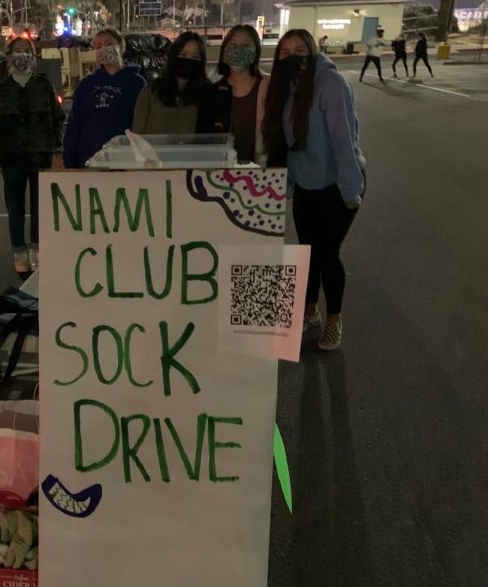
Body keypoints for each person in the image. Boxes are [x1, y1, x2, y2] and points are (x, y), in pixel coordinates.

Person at [262, 29, 365, 351]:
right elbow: (290, 146)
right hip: (307, 184)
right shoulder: (284, 89)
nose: (293, 56)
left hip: (337, 184)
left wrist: (351, 192)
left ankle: (334, 319)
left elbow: (344, 140)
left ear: (312, 50)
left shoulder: (330, 83)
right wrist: (288, 185)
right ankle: (310, 311)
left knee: (326, 254)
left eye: (300, 49)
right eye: (285, 52)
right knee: (306, 252)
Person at [0, 35, 65, 274]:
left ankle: (36, 249)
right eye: (17, 50)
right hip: (12, 157)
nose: (22, 55)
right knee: (15, 207)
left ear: (34, 57)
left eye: (27, 51)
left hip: (40, 155)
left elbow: (58, 117)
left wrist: (55, 143)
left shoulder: (44, 85)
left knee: (39, 205)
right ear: (9, 56)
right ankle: (18, 251)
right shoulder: (0, 90)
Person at [62, 27, 146, 168]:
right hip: (89, 159)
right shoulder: (87, 85)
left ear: (120, 46)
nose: (103, 49)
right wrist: (70, 159)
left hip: (125, 159)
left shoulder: (136, 83)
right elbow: (75, 123)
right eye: (98, 46)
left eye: (108, 44)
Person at [202, 25, 270, 164]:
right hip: (221, 173)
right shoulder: (213, 90)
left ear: (256, 50)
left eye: (246, 44)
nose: (239, 49)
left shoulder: (269, 87)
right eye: (233, 44)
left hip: (261, 174)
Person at [131, 30, 209, 136]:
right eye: (183, 54)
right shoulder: (151, 92)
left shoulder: (208, 93)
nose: (188, 61)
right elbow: (138, 135)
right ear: (173, 56)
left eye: (195, 57)